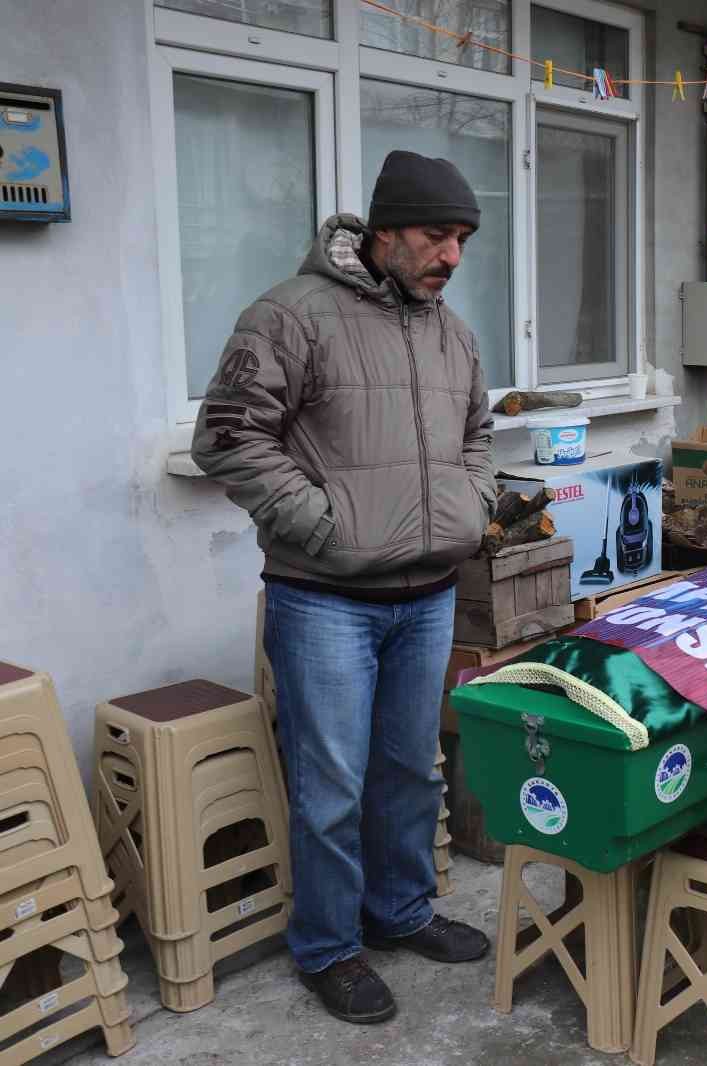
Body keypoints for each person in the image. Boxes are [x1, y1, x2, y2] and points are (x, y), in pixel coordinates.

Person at [192, 150, 496, 1024]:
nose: (452, 256)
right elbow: (228, 437)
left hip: (429, 591)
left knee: (410, 768)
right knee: (330, 785)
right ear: (384, 232)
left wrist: (472, 503)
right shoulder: (291, 315)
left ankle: (399, 912)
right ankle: (328, 946)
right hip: (324, 598)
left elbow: (477, 437)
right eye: (438, 235)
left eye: (464, 239)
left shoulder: (452, 332)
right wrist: (323, 524)